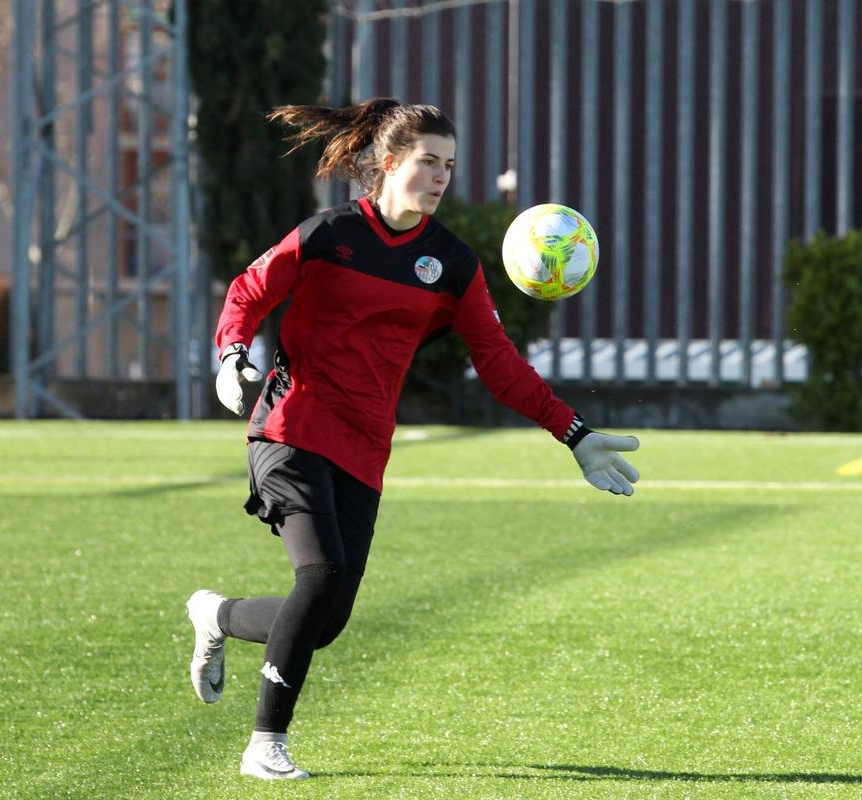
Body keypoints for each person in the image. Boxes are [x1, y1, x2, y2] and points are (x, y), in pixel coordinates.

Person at [186, 98, 640, 781]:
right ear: (390, 162)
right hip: (291, 428)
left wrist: (573, 433)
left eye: (449, 167)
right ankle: (265, 745)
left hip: (365, 450)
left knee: (326, 619)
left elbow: (501, 364)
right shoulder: (329, 234)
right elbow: (250, 290)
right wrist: (230, 355)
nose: (440, 177)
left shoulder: (450, 264)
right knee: (322, 577)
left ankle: (215, 614)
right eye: (429, 161)